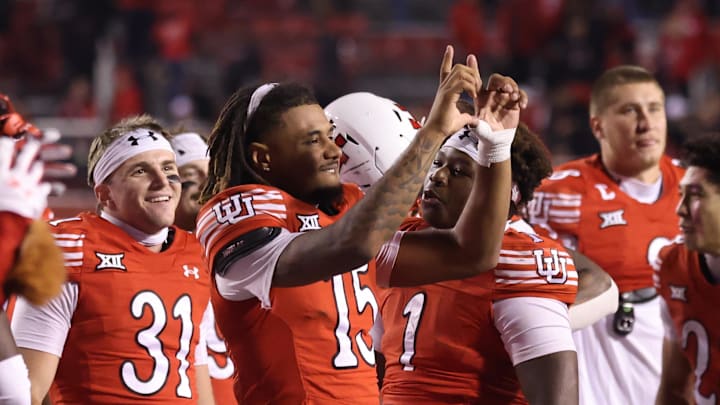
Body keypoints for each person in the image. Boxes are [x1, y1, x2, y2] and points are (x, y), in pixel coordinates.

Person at [195, 46, 523, 403]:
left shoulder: (341, 210)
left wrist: (496, 146)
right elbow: (353, 245)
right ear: (263, 157)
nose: (333, 150)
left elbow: (471, 253)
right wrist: (432, 132)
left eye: (328, 134)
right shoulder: (235, 213)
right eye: (312, 140)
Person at [376, 122, 589, 405]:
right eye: (437, 162)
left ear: (500, 191)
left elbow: (556, 400)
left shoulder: (516, 260)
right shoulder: (404, 237)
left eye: (458, 171)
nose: (437, 176)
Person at [11, 115, 215, 404]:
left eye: (168, 168)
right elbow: (26, 391)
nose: (162, 182)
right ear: (105, 194)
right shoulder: (71, 247)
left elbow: (196, 377)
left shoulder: (196, 254)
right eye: (140, 171)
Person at [528, 65, 686, 404]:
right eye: (630, 110)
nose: (646, 122)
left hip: (676, 374)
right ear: (598, 125)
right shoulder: (558, 194)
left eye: (654, 108)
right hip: (595, 377)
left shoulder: (695, 192)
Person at [170, 131, 238, 405]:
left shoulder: (241, 251)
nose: (206, 185)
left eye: (209, 174)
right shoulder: (151, 262)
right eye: (192, 174)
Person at [655, 133, 720, 404]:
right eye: (681, 195)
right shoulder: (673, 264)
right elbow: (673, 390)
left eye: (695, 196)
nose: (680, 210)